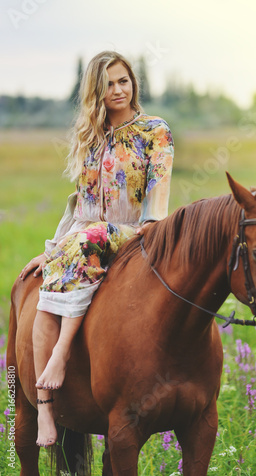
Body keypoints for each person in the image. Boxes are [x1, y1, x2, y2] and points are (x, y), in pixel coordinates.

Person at [19, 51, 174, 448]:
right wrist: (52, 250)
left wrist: (151, 227)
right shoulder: (89, 136)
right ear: (95, 91)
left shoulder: (154, 130)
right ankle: (46, 411)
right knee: (47, 276)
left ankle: (61, 354)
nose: (118, 90)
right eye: (108, 84)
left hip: (134, 231)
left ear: (133, 84)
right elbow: (80, 205)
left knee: (93, 236)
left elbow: (158, 194)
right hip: (88, 234)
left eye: (124, 81)